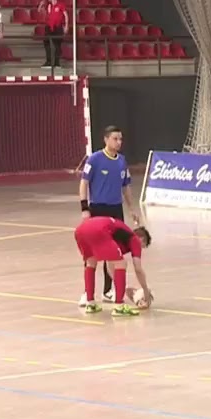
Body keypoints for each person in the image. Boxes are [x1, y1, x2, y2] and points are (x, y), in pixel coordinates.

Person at [79, 125, 141, 301]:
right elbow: (84, 184)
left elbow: (126, 187)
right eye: (115, 139)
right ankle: (87, 292)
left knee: (114, 252)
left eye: (121, 139)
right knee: (92, 253)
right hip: (98, 209)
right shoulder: (94, 160)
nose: (119, 142)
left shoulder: (122, 161)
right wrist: (85, 208)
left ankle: (108, 290)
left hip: (116, 210)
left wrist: (131, 209)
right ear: (106, 140)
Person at [73, 215, 153, 315]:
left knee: (91, 262)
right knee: (122, 263)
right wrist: (145, 290)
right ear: (142, 240)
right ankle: (119, 306)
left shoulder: (120, 236)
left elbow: (110, 266)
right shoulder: (134, 239)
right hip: (98, 230)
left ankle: (91, 304)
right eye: (142, 246)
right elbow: (138, 268)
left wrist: (126, 289)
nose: (139, 250)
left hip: (81, 230)